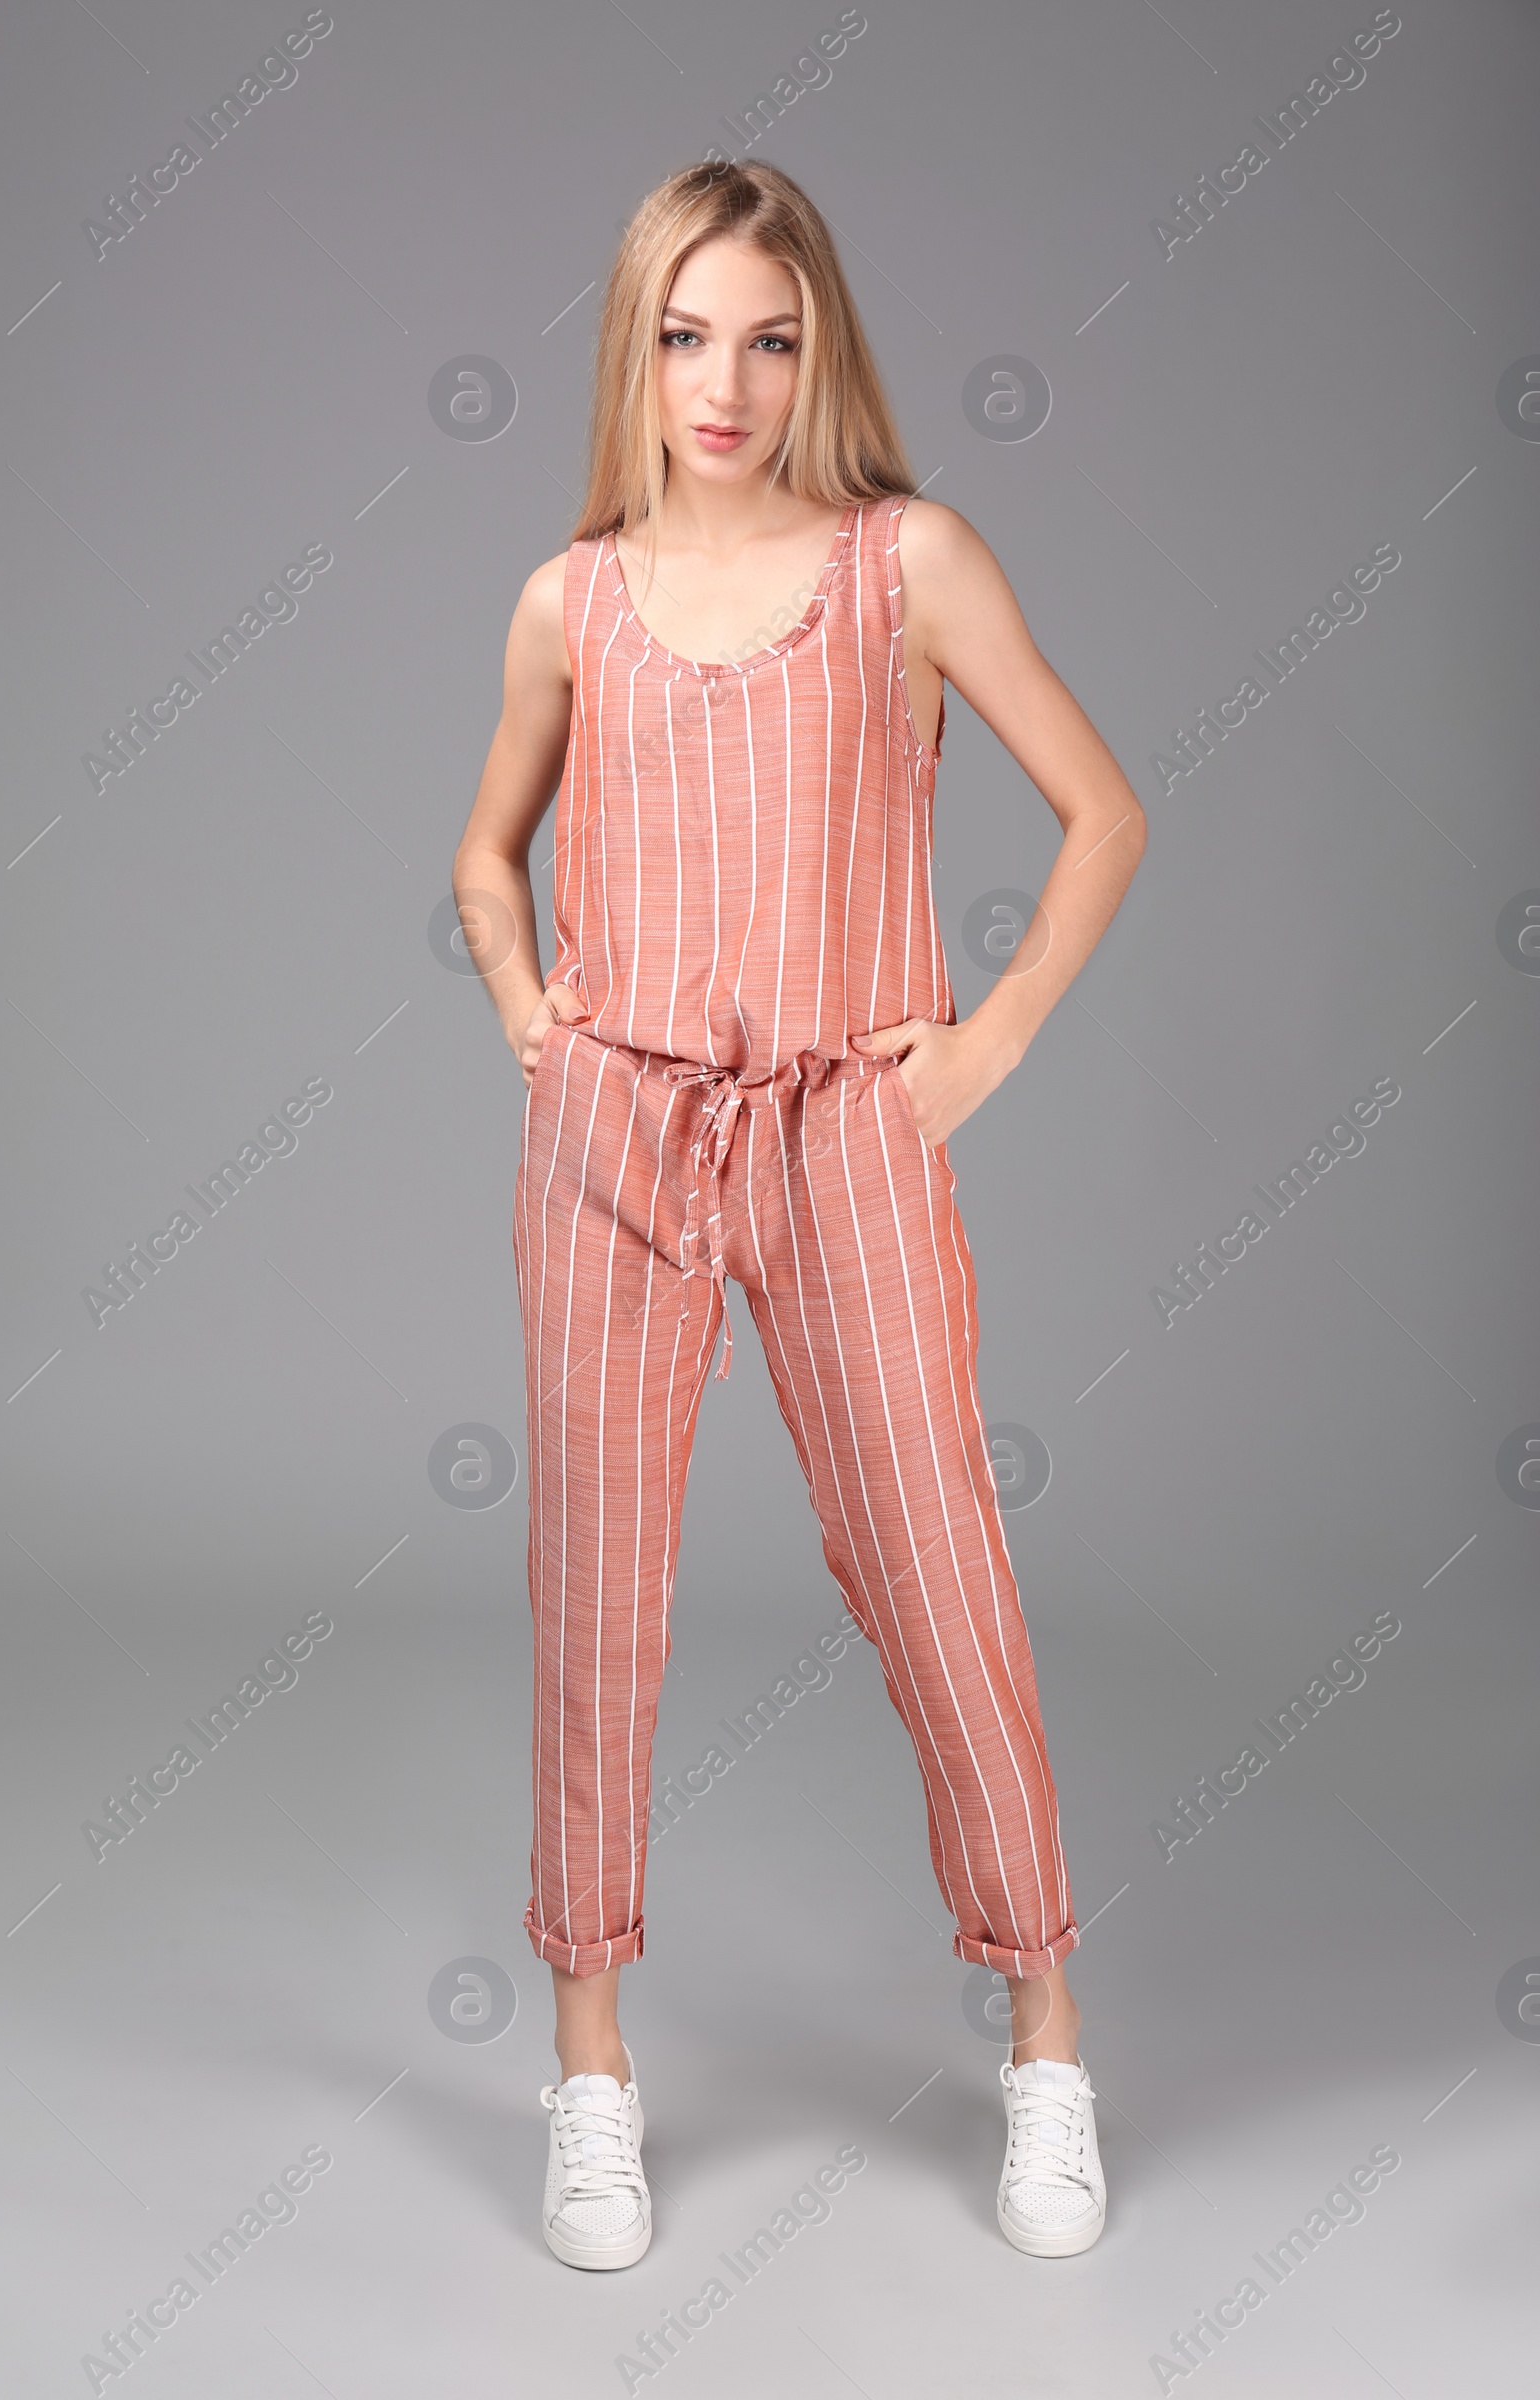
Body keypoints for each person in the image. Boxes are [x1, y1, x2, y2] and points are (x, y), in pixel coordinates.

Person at [452, 157, 1146, 2273]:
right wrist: (526, 1010)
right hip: (616, 1141)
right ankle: (589, 2071)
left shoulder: (902, 564)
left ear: (814, 343)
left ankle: (1044, 2038)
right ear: (633, 354)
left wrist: (991, 1037)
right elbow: (487, 855)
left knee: (940, 1569)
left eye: (765, 336)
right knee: (596, 1601)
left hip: (847, 1128)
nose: (723, 383)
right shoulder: (571, 598)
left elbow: (1100, 807)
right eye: (682, 336)